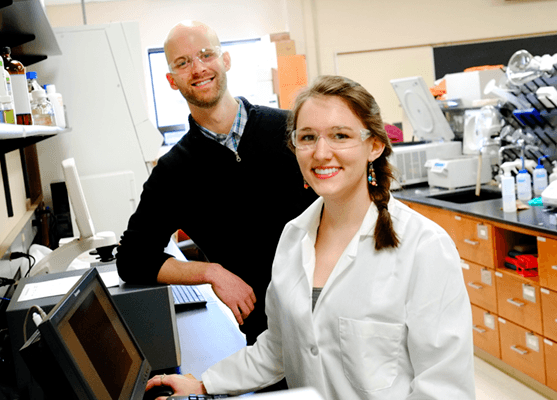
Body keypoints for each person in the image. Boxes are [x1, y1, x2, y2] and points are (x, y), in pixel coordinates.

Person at [146, 75, 476, 400]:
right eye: (307, 138)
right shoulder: (293, 238)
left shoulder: (424, 247)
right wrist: (205, 384)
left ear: (374, 145)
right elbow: (278, 348)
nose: (320, 153)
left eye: (340, 135)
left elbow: (444, 389)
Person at [115, 20, 317, 345]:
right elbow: (133, 257)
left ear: (225, 60)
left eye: (206, 55)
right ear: (171, 80)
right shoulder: (173, 171)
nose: (197, 68)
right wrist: (211, 273)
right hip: (265, 334)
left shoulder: (291, 130)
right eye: (183, 62)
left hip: (327, 306)